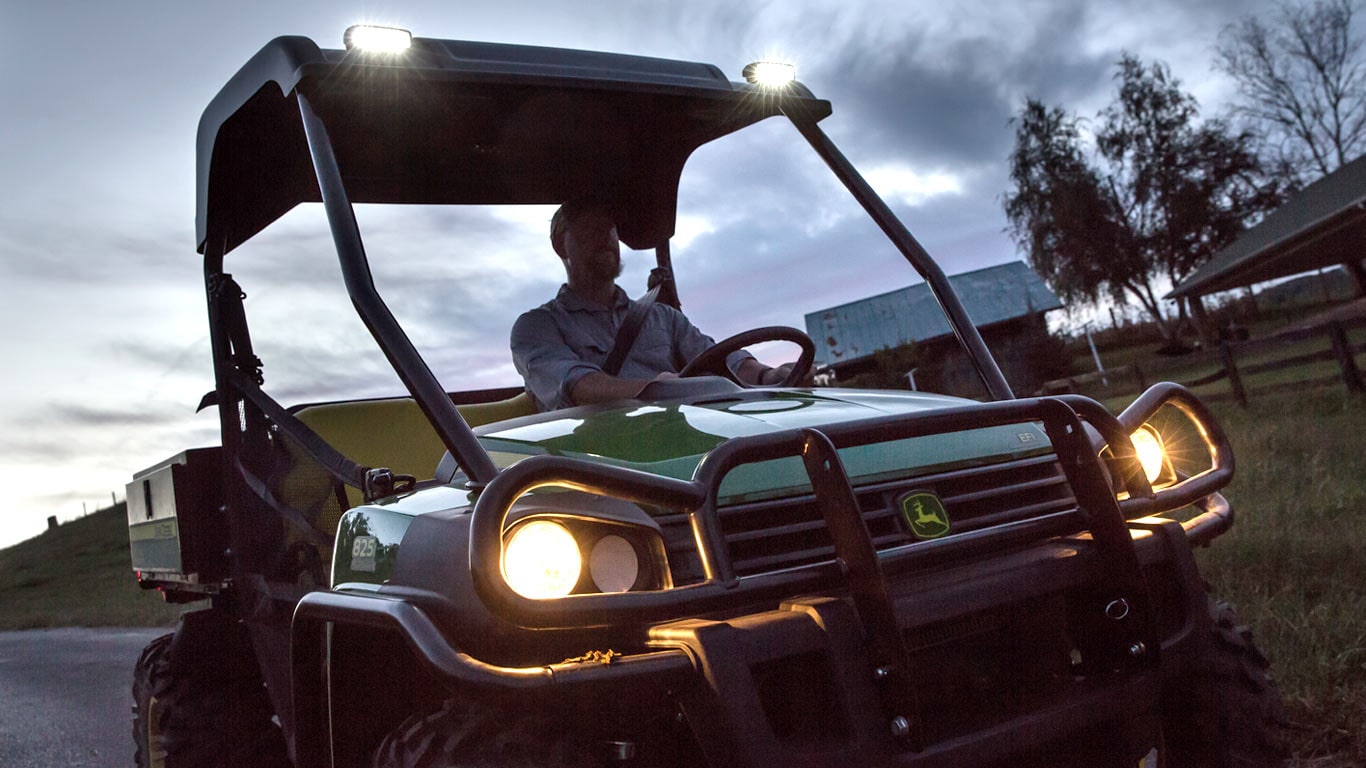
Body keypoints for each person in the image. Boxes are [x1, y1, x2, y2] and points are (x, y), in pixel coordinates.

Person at [511, 200, 794, 411]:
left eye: (610, 228)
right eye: (590, 228)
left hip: (682, 444)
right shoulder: (536, 327)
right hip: (592, 465)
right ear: (561, 246)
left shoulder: (662, 317)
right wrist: (657, 390)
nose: (606, 238)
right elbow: (577, 386)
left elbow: (717, 359)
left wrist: (768, 374)